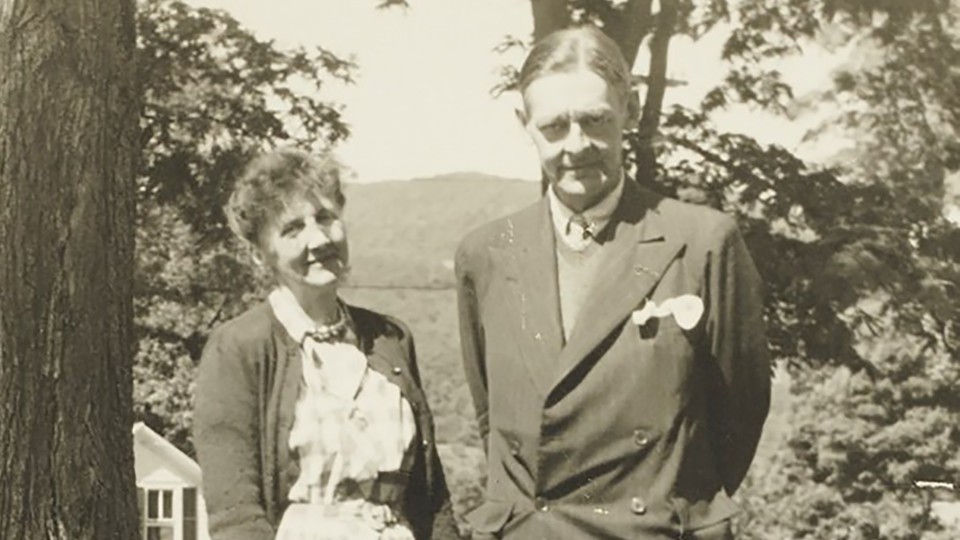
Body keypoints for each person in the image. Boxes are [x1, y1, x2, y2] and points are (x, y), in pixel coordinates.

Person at [455, 26, 771, 540]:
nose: (577, 145)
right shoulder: (485, 254)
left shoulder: (703, 241)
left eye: (595, 120)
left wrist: (672, 505)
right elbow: (493, 415)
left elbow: (739, 414)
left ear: (631, 108)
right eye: (555, 127)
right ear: (524, 124)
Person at [194, 148, 459, 540]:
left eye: (326, 218)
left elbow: (430, 496)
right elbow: (235, 514)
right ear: (258, 255)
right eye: (292, 229)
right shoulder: (239, 348)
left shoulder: (390, 339)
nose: (318, 239)